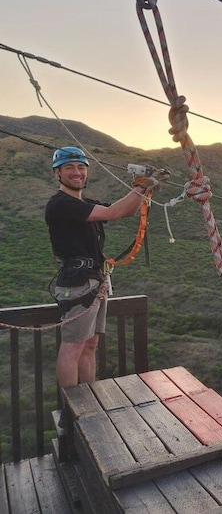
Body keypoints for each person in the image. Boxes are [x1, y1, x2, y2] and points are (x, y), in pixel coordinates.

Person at [45, 146, 163, 389]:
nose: (76, 172)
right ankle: (72, 410)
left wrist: (142, 189)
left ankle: (90, 398)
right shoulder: (60, 204)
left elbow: (126, 211)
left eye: (81, 167)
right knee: (74, 346)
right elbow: (114, 211)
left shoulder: (84, 203)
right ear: (57, 174)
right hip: (78, 283)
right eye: (69, 168)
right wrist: (142, 186)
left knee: (90, 344)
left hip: (93, 279)